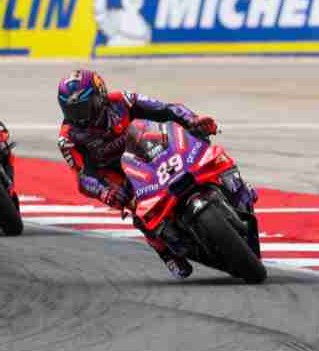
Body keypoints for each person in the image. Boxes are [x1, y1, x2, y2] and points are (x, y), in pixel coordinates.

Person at [56, 70, 219, 280]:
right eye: (72, 110)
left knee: (196, 151)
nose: (80, 116)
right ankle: (166, 252)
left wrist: (193, 120)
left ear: (100, 95)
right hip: (116, 174)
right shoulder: (68, 138)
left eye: (84, 107)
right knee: (138, 209)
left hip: (146, 150)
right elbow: (83, 177)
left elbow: (166, 109)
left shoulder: (123, 100)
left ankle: (229, 185)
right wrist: (105, 192)